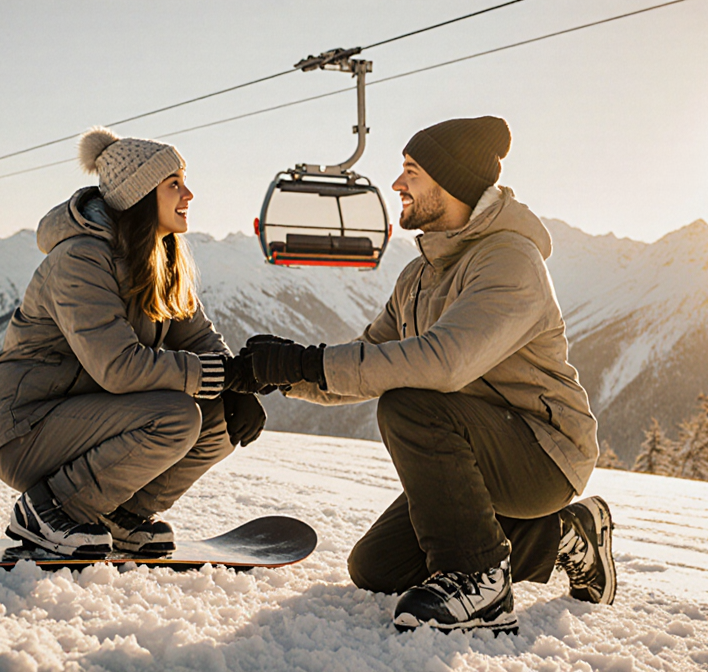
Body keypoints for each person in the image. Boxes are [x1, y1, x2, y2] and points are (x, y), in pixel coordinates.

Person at [244, 117, 615, 633]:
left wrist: (305, 361)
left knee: (410, 401)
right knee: (377, 569)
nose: (397, 184)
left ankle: (479, 578)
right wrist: (274, 374)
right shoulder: (419, 275)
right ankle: (566, 537)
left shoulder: (510, 262)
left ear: (453, 182)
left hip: (544, 453)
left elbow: (442, 362)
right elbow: (369, 356)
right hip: (476, 444)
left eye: (411, 172)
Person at [0, 126, 265, 558]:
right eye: (174, 185)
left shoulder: (161, 257)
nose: (189, 195)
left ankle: (120, 514)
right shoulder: (80, 258)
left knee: (219, 418)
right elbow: (119, 367)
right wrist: (218, 375)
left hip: (92, 421)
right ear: (142, 195)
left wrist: (234, 389)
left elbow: (199, 336)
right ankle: (51, 508)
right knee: (177, 416)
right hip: (25, 428)